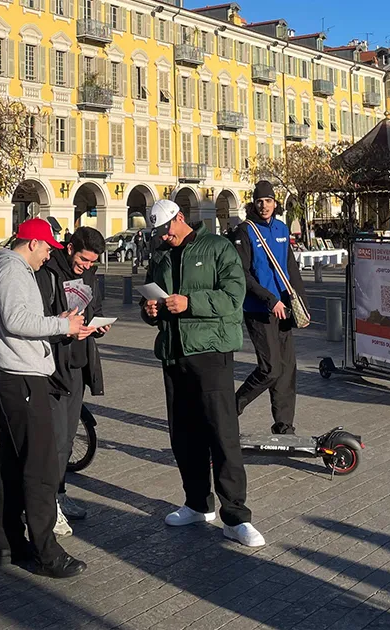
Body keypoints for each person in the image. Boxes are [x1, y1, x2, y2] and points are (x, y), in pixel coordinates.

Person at [139, 199, 265, 548]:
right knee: (183, 435)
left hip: (211, 352)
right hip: (173, 353)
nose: (163, 238)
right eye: (158, 234)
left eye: (166, 231)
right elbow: (153, 297)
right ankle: (197, 503)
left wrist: (190, 303)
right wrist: (149, 310)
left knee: (222, 434)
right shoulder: (161, 255)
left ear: (180, 219)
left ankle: (236, 516)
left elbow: (233, 297)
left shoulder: (218, 247)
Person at [0, 217, 89, 579]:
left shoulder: (11, 270)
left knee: (14, 464)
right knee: (41, 467)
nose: (48, 255)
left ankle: (9, 543)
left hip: (14, 375)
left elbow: (23, 319)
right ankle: (47, 551)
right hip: (24, 378)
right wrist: (62, 326)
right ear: (32, 243)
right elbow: (16, 320)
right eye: (47, 248)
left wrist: (58, 321)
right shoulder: (14, 273)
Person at [34, 227, 108, 534]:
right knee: (56, 439)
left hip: (78, 363)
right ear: (69, 248)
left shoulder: (90, 274)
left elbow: (95, 307)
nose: (87, 266)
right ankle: (48, 507)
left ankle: (60, 494)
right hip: (53, 364)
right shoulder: (48, 273)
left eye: (92, 262)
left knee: (67, 439)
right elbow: (36, 319)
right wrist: (64, 327)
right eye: (83, 260)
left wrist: (99, 324)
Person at [232, 181, 307, 436]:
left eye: (268, 200)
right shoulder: (244, 231)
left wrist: (302, 306)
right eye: (259, 201)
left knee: (286, 370)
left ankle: (284, 426)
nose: (264, 205)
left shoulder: (282, 229)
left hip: (284, 310)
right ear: (254, 203)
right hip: (259, 310)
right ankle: (231, 409)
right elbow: (242, 274)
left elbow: (291, 269)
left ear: (275, 203)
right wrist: (269, 299)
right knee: (270, 369)